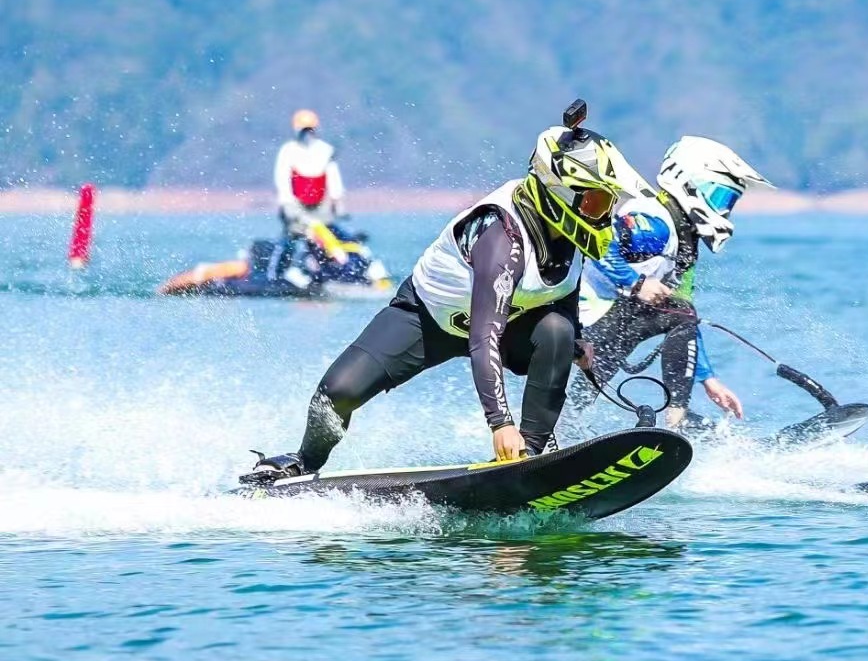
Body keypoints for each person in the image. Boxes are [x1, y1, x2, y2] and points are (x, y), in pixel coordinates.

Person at [243, 101, 649, 483]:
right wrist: (500, 423)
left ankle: (531, 457)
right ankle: (303, 466)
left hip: (510, 326)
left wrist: (576, 340)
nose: (605, 214)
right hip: (425, 318)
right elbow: (482, 335)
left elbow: (561, 293)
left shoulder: (572, 233)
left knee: (558, 332)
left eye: (608, 203)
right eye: (597, 201)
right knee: (335, 397)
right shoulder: (502, 238)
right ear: (560, 192)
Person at [569, 136, 770, 430]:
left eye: (730, 203)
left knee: (679, 312)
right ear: (687, 183)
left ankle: (562, 424)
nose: (724, 211)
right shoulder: (655, 224)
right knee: (680, 311)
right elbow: (595, 242)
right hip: (580, 323)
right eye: (719, 198)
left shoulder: (684, 243)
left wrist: (708, 379)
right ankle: (676, 421)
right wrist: (636, 283)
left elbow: (682, 322)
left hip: (607, 325)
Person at [275, 110, 346, 238]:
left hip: (321, 208)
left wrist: (338, 204)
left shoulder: (325, 150)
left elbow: (334, 180)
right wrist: (286, 204)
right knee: (291, 237)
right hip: (296, 207)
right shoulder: (289, 150)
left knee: (328, 235)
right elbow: (282, 180)